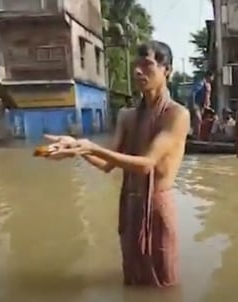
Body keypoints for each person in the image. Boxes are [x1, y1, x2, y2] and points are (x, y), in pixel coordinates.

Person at [44, 40, 189, 288]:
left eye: (147, 65)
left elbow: (147, 164)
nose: (138, 71)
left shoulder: (176, 115)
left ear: (167, 70)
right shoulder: (127, 116)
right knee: (132, 278)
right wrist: (77, 148)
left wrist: (91, 146)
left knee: (164, 282)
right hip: (130, 206)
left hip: (156, 205)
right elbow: (106, 163)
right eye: (136, 65)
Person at [189, 71, 214, 138]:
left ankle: (203, 135)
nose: (212, 79)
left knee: (210, 119)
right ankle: (196, 135)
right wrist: (193, 104)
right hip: (197, 104)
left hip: (204, 105)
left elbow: (207, 96)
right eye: (212, 77)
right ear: (209, 76)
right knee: (198, 119)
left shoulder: (208, 84)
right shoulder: (201, 83)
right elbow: (193, 93)